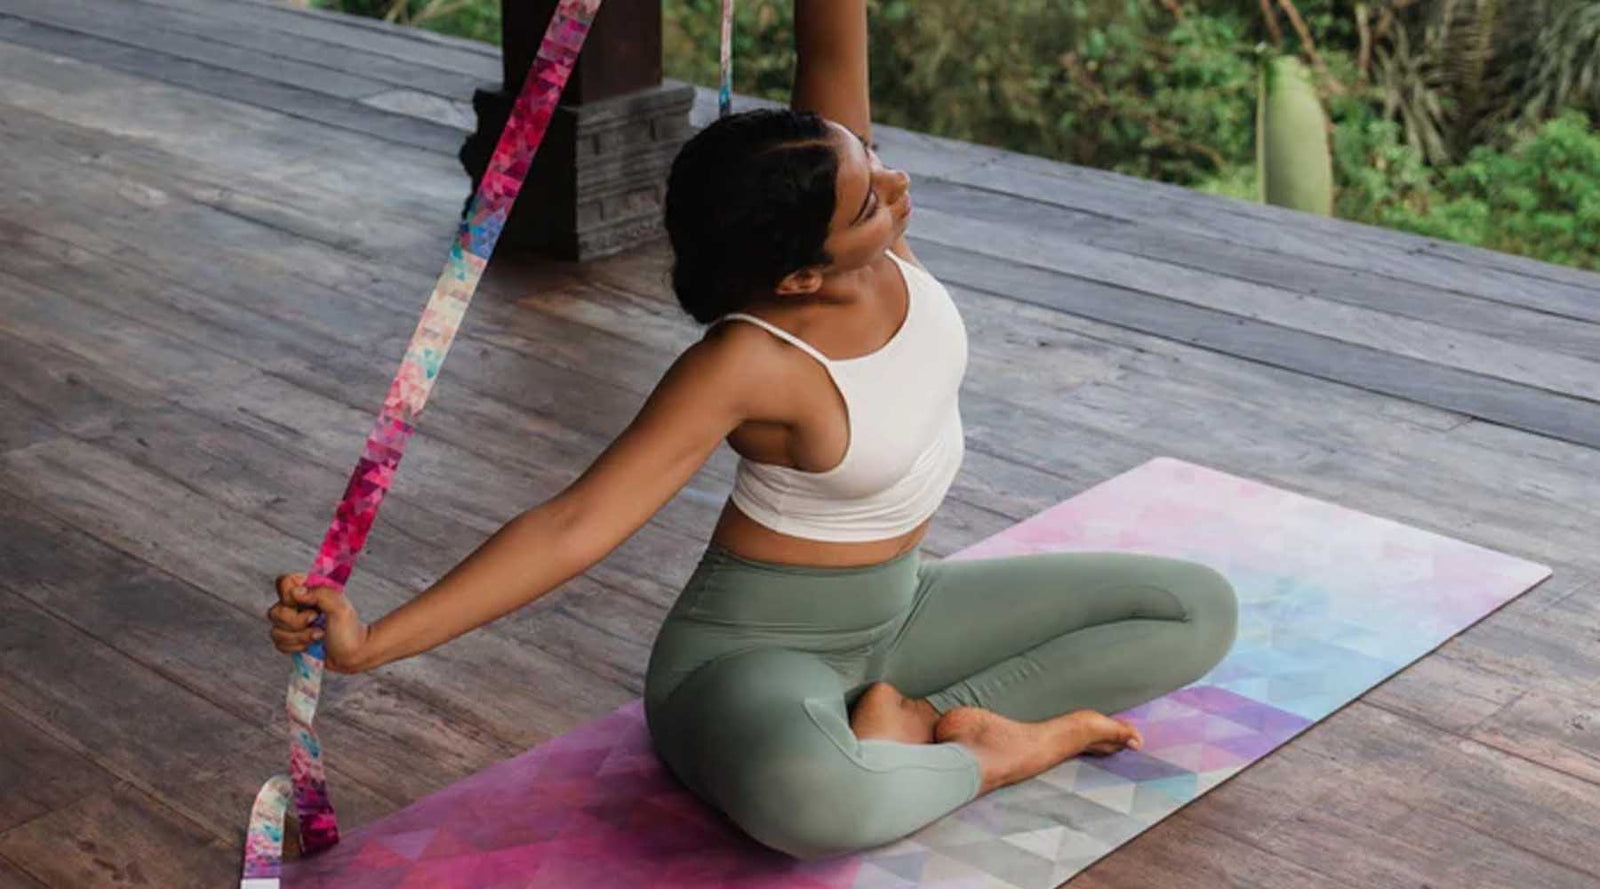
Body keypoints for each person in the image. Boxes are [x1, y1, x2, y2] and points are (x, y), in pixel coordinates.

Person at [267, 0, 1238, 861]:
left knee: (1194, 607)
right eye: (870, 203)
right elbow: (575, 524)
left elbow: (830, 21)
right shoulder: (746, 361)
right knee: (811, 800)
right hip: (749, 657)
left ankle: (924, 722)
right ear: (800, 276)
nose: (895, 188)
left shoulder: (824, 178)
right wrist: (373, 643)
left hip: (903, 609)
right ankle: (987, 754)